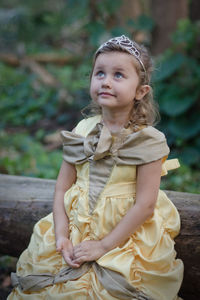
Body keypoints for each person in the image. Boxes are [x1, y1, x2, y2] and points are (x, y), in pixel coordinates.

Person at [8, 35, 184, 300]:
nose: (106, 81)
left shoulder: (148, 140)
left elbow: (145, 205)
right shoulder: (82, 130)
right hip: (77, 228)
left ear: (141, 91)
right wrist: (61, 236)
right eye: (99, 73)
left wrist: (103, 245)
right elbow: (61, 189)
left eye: (118, 75)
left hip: (122, 237)